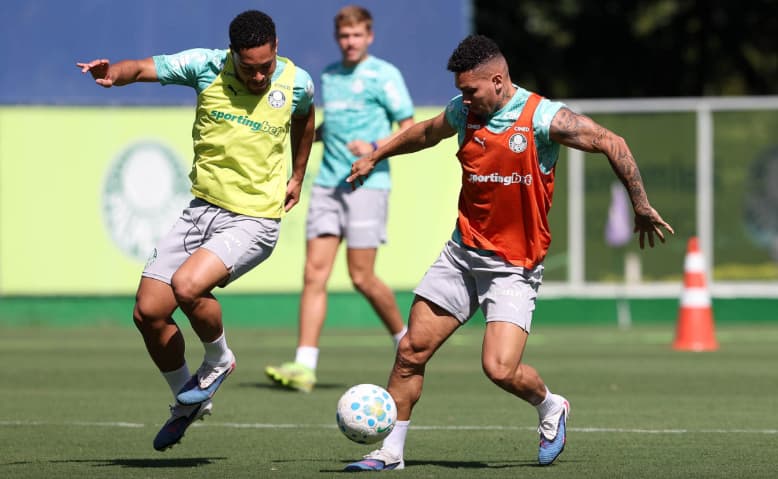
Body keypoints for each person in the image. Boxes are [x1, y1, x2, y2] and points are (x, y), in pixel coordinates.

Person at [342, 34, 674, 471]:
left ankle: (550, 405)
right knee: (410, 352)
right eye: (461, 91)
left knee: (499, 369)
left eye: (470, 90)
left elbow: (612, 142)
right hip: (462, 254)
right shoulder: (464, 111)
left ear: (498, 81)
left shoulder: (542, 118)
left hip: (514, 267)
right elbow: (425, 132)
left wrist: (641, 204)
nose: (463, 99)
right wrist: (376, 155)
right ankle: (391, 451)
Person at [76, 10, 316, 451]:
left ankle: (220, 359)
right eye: (249, 68)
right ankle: (186, 402)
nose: (260, 76)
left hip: (255, 218)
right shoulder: (205, 65)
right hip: (201, 211)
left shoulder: (297, 82)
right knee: (148, 312)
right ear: (232, 56)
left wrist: (298, 174)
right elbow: (146, 68)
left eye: (266, 65)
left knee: (187, 286)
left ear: (277, 47)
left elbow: (304, 118)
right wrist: (116, 73)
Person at [265, 5, 414, 393]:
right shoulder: (328, 77)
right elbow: (330, 126)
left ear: (370, 36)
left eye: (357, 35)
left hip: (368, 184)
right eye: (344, 37)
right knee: (314, 274)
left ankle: (408, 343)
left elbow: (410, 129)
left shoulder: (385, 75)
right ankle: (304, 366)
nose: (350, 42)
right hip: (328, 184)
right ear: (338, 39)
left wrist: (375, 147)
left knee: (362, 277)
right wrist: (309, 137)